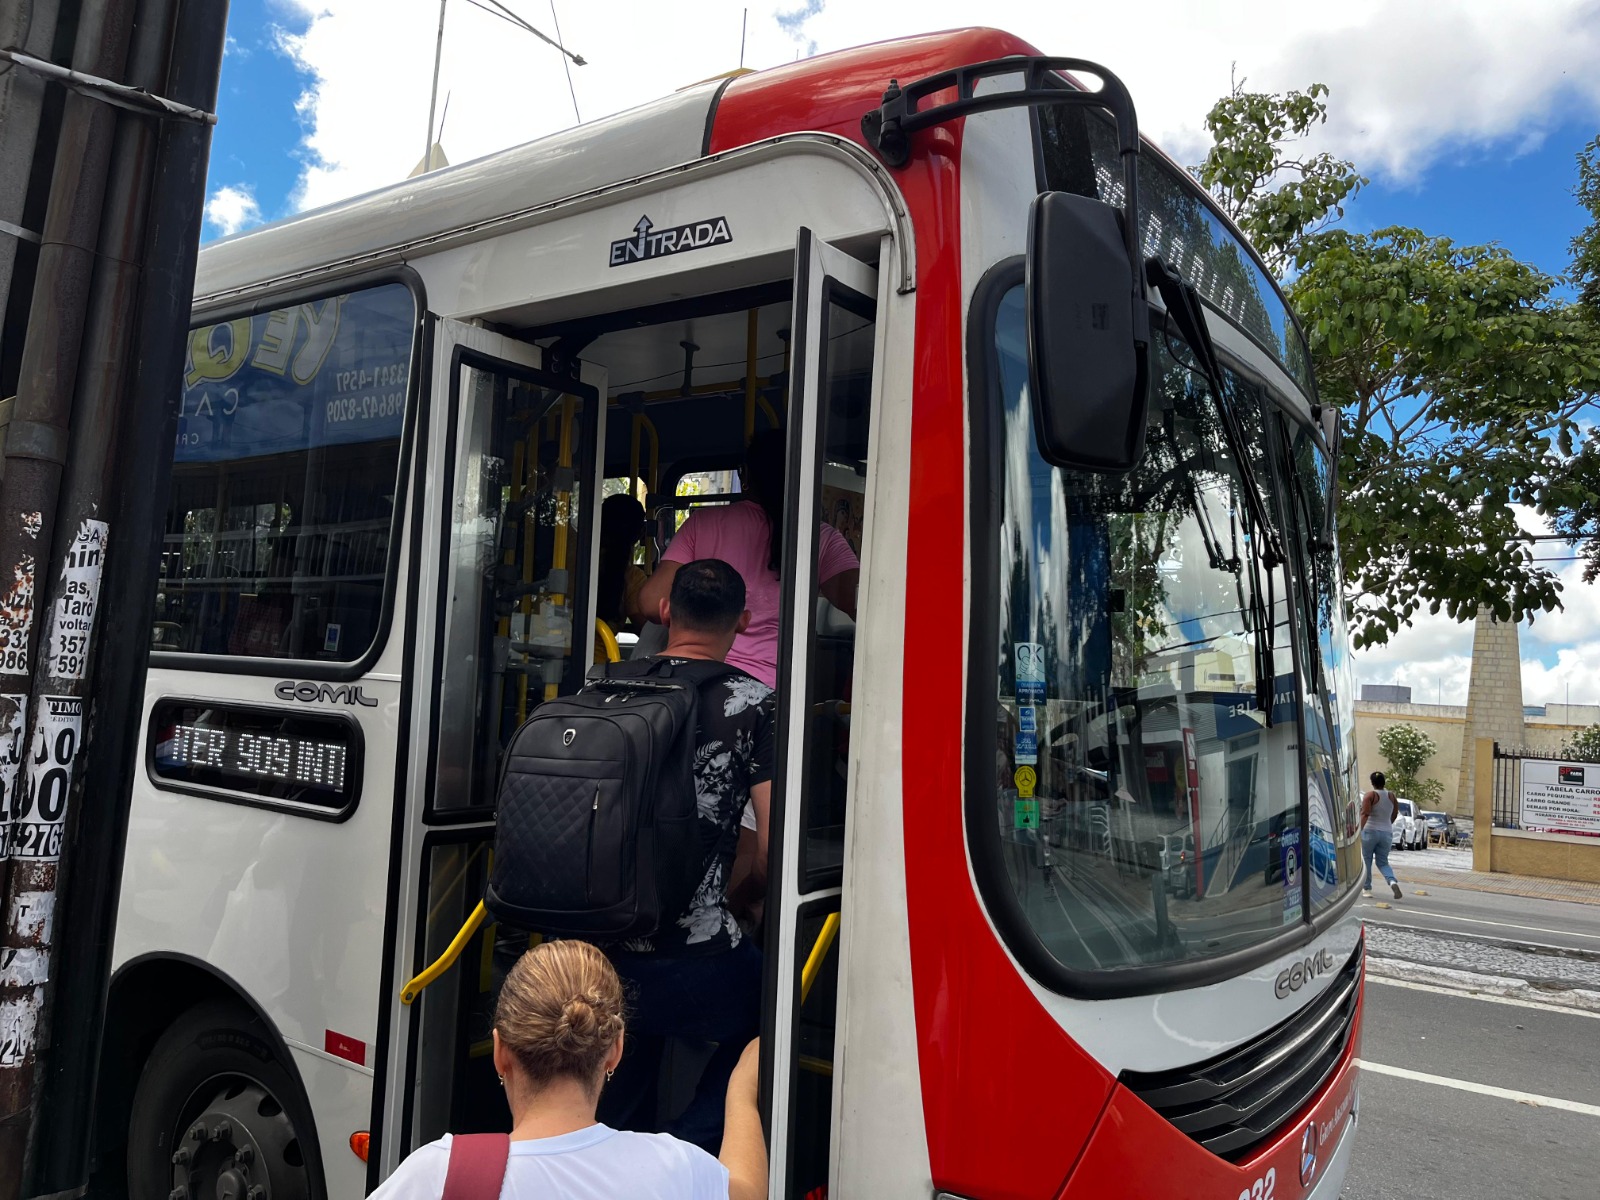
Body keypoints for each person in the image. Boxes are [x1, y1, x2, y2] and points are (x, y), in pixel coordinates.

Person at [368, 939, 767, 1200]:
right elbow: (749, 1190)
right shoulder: (675, 1169)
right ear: (615, 1051)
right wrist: (740, 1093)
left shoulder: (438, 1175)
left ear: (500, 1052)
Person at [607, 558, 775, 1152]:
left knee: (623, 1051)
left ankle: (622, 1152)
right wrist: (744, 904)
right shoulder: (754, 703)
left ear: (667, 612)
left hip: (597, 946)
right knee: (774, 1011)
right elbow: (767, 853)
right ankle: (690, 1147)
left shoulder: (603, 687)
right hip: (695, 956)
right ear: (746, 622)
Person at [637, 429, 859, 688]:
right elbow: (866, 607)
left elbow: (651, 603)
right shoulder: (820, 538)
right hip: (773, 693)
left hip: (696, 681)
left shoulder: (704, 524)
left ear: (746, 473)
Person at [597, 492, 650, 632]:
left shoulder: (567, 554)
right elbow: (646, 631)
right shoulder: (632, 577)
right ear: (640, 533)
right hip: (602, 653)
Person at [1359, 770, 1403, 899]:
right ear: (1384, 782)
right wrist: (1387, 825)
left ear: (1372, 783)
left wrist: (1360, 830)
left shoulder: (1369, 796)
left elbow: (1365, 814)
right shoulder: (1392, 796)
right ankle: (1392, 881)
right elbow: (1394, 814)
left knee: (1366, 860)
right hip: (1386, 833)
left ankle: (1367, 889)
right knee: (1383, 862)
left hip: (1370, 831)